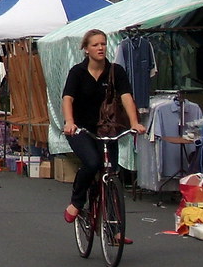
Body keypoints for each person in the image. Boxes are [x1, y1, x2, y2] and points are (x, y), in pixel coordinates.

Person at [61, 29, 144, 226]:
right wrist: (69, 122)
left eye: (103, 44)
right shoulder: (78, 72)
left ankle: (114, 228)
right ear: (86, 49)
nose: (100, 48)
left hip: (107, 129)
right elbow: (68, 98)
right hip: (81, 129)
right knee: (91, 163)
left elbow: (126, 98)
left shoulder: (116, 71)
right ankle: (77, 202)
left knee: (110, 172)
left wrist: (134, 123)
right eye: (95, 45)